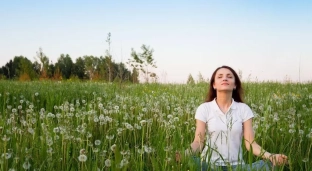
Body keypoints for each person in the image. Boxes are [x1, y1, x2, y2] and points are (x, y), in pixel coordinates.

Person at [185, 65, 288, 171]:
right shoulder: (204, 108)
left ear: (235, 85)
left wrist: (270, 156)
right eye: (220, 77)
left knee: (268, 165)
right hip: (208, 166)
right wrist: (184, 155)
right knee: (189, 161)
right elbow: (198, 142)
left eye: (229, 76)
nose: (225, 78)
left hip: (237, 167)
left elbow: (250, 143)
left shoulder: (243, 109)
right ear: (214, 85)